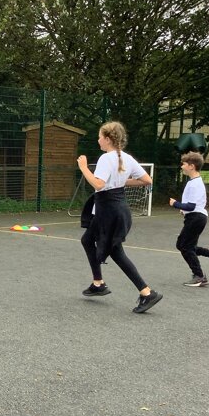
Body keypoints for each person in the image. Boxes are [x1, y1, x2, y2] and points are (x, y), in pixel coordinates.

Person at [77, 121, 163, 314]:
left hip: (109, 211)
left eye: (100, 137)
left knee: (116, 252)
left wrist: (83, 167)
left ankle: (147, 292)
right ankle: (98, 283)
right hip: (117, 208)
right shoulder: (127, 158)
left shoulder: (105, 158)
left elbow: (98, 184)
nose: (98, 140)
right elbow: (147, 180)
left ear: (108, 139)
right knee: (87, 240)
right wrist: (122, 182)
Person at [169, 151, 209, 286]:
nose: (182, 166)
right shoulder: (193, 182)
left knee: (185, 247)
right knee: (184, 245)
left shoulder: (195, 184)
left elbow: (191, 205)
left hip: (196, 218)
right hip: (195, 217)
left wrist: (175, 204)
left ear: (191, 166)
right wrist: (183, 210)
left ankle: (199, 276)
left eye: (183, 164)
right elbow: (193, 205)